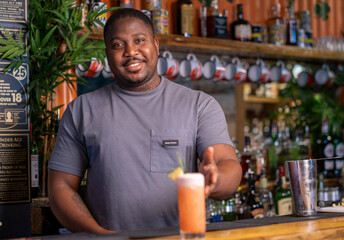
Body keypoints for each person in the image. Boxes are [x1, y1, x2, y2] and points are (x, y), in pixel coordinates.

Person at [48, 8, 242, 234]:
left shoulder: (199, 105)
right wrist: (102, 237)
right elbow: (60, 187)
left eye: (139, 40)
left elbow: (229, 165)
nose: (131, 51)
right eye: (118, 45)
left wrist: (215, 180)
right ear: (107, 53)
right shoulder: (81, 110)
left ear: (156, 45)